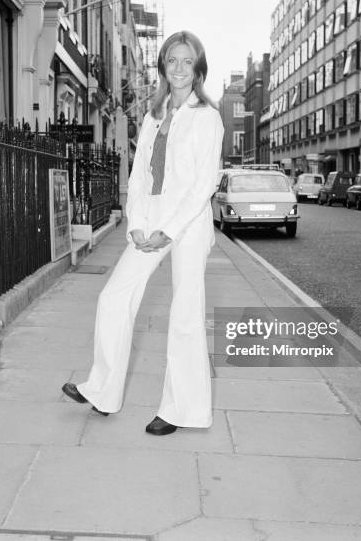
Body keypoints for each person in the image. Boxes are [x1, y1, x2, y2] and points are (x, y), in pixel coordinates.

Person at [62, 30, 224, 435]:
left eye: (188, 61)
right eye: (173, 60)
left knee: (185, 315)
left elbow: (203, 184)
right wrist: (135, 223)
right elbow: (137, 177)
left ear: (198, 68)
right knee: (114, 297)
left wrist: (169, 230)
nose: (180, 68)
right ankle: (101, 390)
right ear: (163, 67)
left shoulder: (208, 117)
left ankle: (181, 410)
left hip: (186, 224)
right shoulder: (153, 115)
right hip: (150, 220)